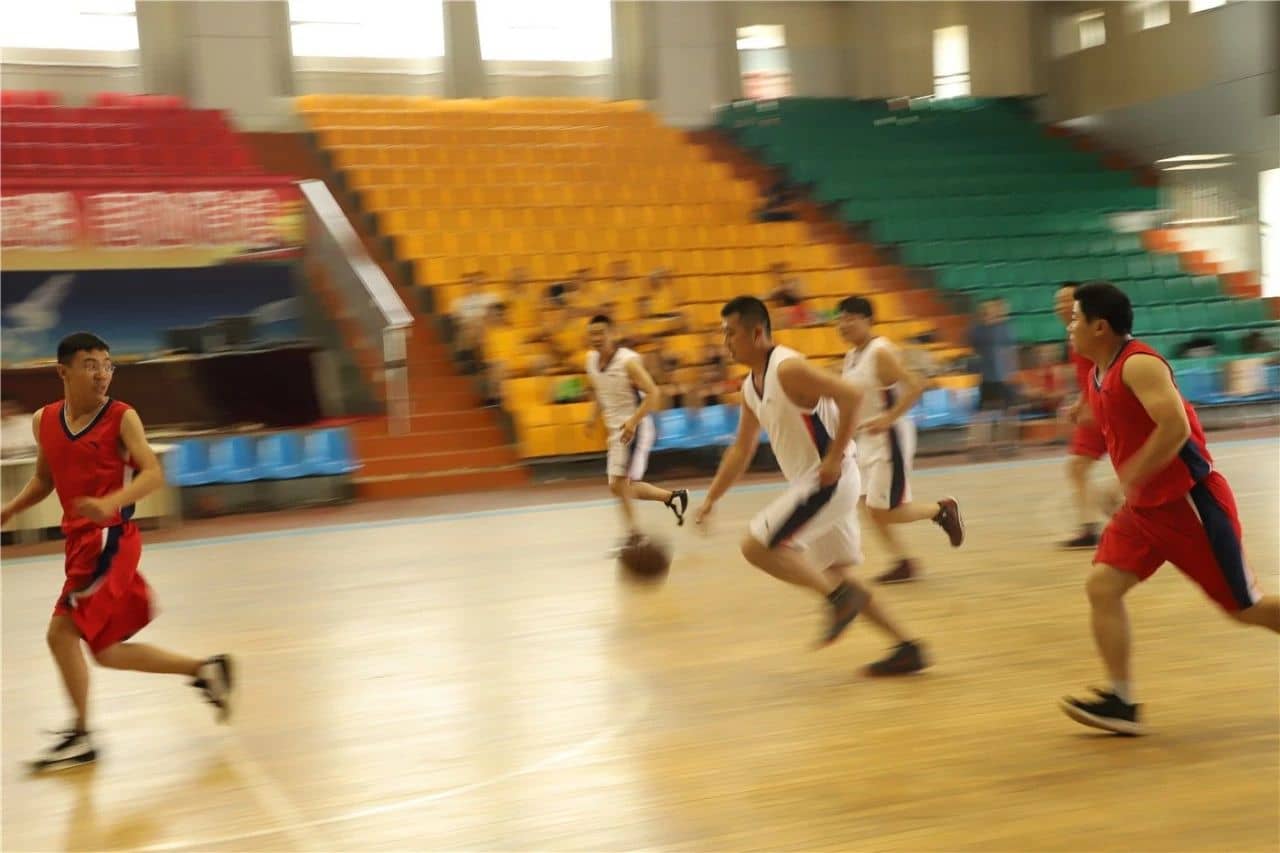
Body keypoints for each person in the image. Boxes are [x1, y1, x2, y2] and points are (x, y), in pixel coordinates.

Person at [0, 332, 234, 772]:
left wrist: (111, 502)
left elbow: (152, 474)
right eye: (90, 365)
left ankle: (82, 736)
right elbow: (45, 478)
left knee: (61, 633)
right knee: (105, 650)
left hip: (111, 541)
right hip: (79, 546)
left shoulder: (122, 417)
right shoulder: (44, 420)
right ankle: (205, 669)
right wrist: (11, 508)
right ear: (63, 371)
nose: (101, 374)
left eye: (107, 365)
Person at [1060, 284, 1279, 735]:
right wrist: (1083, 411)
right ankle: (1121, 702)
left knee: (1245, 608)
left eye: (1076, 318)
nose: (1069, 326)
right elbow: (1120, 413)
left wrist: (1127, 478)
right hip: (1144, 511)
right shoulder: (1099, 370)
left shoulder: (1139, 364)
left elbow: (1174, 427)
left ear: (1100, 327)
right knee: (1102, 586)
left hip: (1189, 505)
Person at [693, 296, 926, 675]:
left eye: (730, 333)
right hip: (820, 484)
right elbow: (741, 449)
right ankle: (907, 647)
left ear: (756, 332)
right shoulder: (751, 386)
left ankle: (838, 600)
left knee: (757, 546)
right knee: (836, 576)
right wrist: (711, 498)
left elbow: (851, 396)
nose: (725, 343)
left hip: (828, 479)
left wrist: (833, 459)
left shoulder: (787, 368)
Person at [836, 296, 964, 584]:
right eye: (840, 319)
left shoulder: (880, 352)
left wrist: (888, 418)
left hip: (889, 436)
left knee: (882, 510)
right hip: (867, 437)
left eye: (850, 318)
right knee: (865, 504)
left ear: (868, 321)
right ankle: (902, 562)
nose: (843, 324)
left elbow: (916, 385)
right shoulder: (851, 356)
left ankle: (942, 509)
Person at [584, 315, 688, 546]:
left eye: (601, 332)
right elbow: (601, 390)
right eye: (592, 334)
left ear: (612, 334)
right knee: (618, 486)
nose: (596, 337)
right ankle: (672, 498)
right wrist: (592, 417)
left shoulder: (628, 362)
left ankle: (635, 534)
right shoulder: (591, 361)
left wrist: (632, 422)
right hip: (615, 429)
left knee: (620, 483)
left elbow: (653, 393)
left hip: (635, 427)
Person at [1055, 283, 1106, 549]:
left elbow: (1105, 368)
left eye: (1068, 300)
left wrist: (1091, 404)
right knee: (1077, 467)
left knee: (1134, 470)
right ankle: (1089, 528)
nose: (1062, 306)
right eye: (1059, 301)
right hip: (1095, 408)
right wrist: (1080, 402)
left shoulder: (1095, 331)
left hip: (1110, 409)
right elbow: (1088, 375)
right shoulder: (1074, 334)